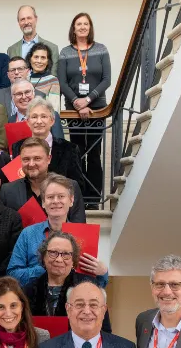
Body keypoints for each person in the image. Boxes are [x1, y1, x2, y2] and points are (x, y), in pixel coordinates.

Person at [58, 13, 111, 208]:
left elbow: (107, 79)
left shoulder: (101, 49)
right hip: (73, 111)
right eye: (78, 24)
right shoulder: (65, 52)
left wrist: (88, 100)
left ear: (90, 27)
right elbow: (62, 82)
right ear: (73, 28)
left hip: (97, 109)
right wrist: (76, 101)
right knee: (77, 153)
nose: (82, 27)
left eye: (85, 24)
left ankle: (94, 200)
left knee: (94, 154)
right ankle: (80, 197)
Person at [8, 172, 97, 287]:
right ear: (43, 202)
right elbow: (12, 275)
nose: (55, 201)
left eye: (61, 196)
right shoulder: (28, 234)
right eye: (50, 197)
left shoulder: (83, 236)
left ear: (71, 200)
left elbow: (93, 282)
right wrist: (45, 268)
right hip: (34, 300)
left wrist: (103, 272)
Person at [25, 231, 111, 333]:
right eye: (53, 253)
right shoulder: (28, 290)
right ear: (44, 257)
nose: (59, 259)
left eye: (66, 254)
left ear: (73, 261)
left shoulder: (91, 286)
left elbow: (104, 330)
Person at [0, 139, 86, 224]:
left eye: (37, 158)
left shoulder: (69, 186)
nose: (31, 164)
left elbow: (79, 227)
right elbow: (4, 229)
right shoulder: (7, 190)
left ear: (49, 159)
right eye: (26, 159)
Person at [10, 97, 84, 187]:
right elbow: (15, 184)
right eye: (34, 117)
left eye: (43, 116)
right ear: (28, 122)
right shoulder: (17, 147)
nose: (39, 121)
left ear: (52, 121)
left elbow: (78, 186)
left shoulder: (69, 149)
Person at [6, 5, 60, 76]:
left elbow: (53, 76)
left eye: (29, 18)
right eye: (22, 19)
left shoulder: (52, 48)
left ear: (36, 19)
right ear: (18, 23)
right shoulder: (11, 50)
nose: (26, 22)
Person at [26, 43, 61, 112]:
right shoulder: (25, 80)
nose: (39, 61)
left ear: (48, 61)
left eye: (43, 58)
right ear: (30, 59)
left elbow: (54, 109)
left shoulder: (52, 80)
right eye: (36, 57)